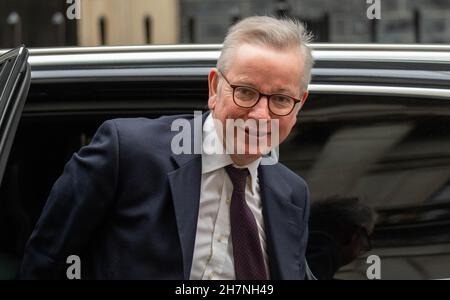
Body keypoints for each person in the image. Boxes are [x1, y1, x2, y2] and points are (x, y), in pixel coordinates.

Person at [20, 16, 314, 279]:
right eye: (246, 92)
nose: (261, 115)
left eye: (280, 99)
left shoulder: (292, 193)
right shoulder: (127, 153)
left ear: (299, 105)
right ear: (214, 89)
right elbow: (45, 262)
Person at [306, 196, 377, 280]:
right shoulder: (322, 257)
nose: (361, 252)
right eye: (364, 243)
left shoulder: (298, 251)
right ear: (357, 235)